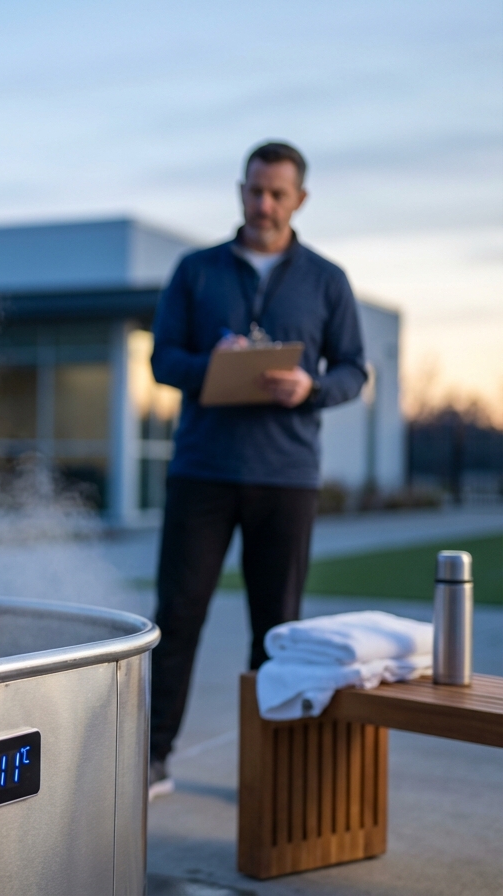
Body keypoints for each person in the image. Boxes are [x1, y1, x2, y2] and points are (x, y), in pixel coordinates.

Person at [147, 142, 367, 797]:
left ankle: (270, 770)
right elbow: (163, 360)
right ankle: (152, 758)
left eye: (277, 194)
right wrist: (215, 367)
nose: (263, 204)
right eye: (254, 191)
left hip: (287, 477)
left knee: (276, 629)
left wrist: (311, 387)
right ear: (240, 190)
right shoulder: (196, 270)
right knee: (178, 615)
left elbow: (355, 369)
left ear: (299, 199)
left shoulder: (328, 280)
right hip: (203, 471)